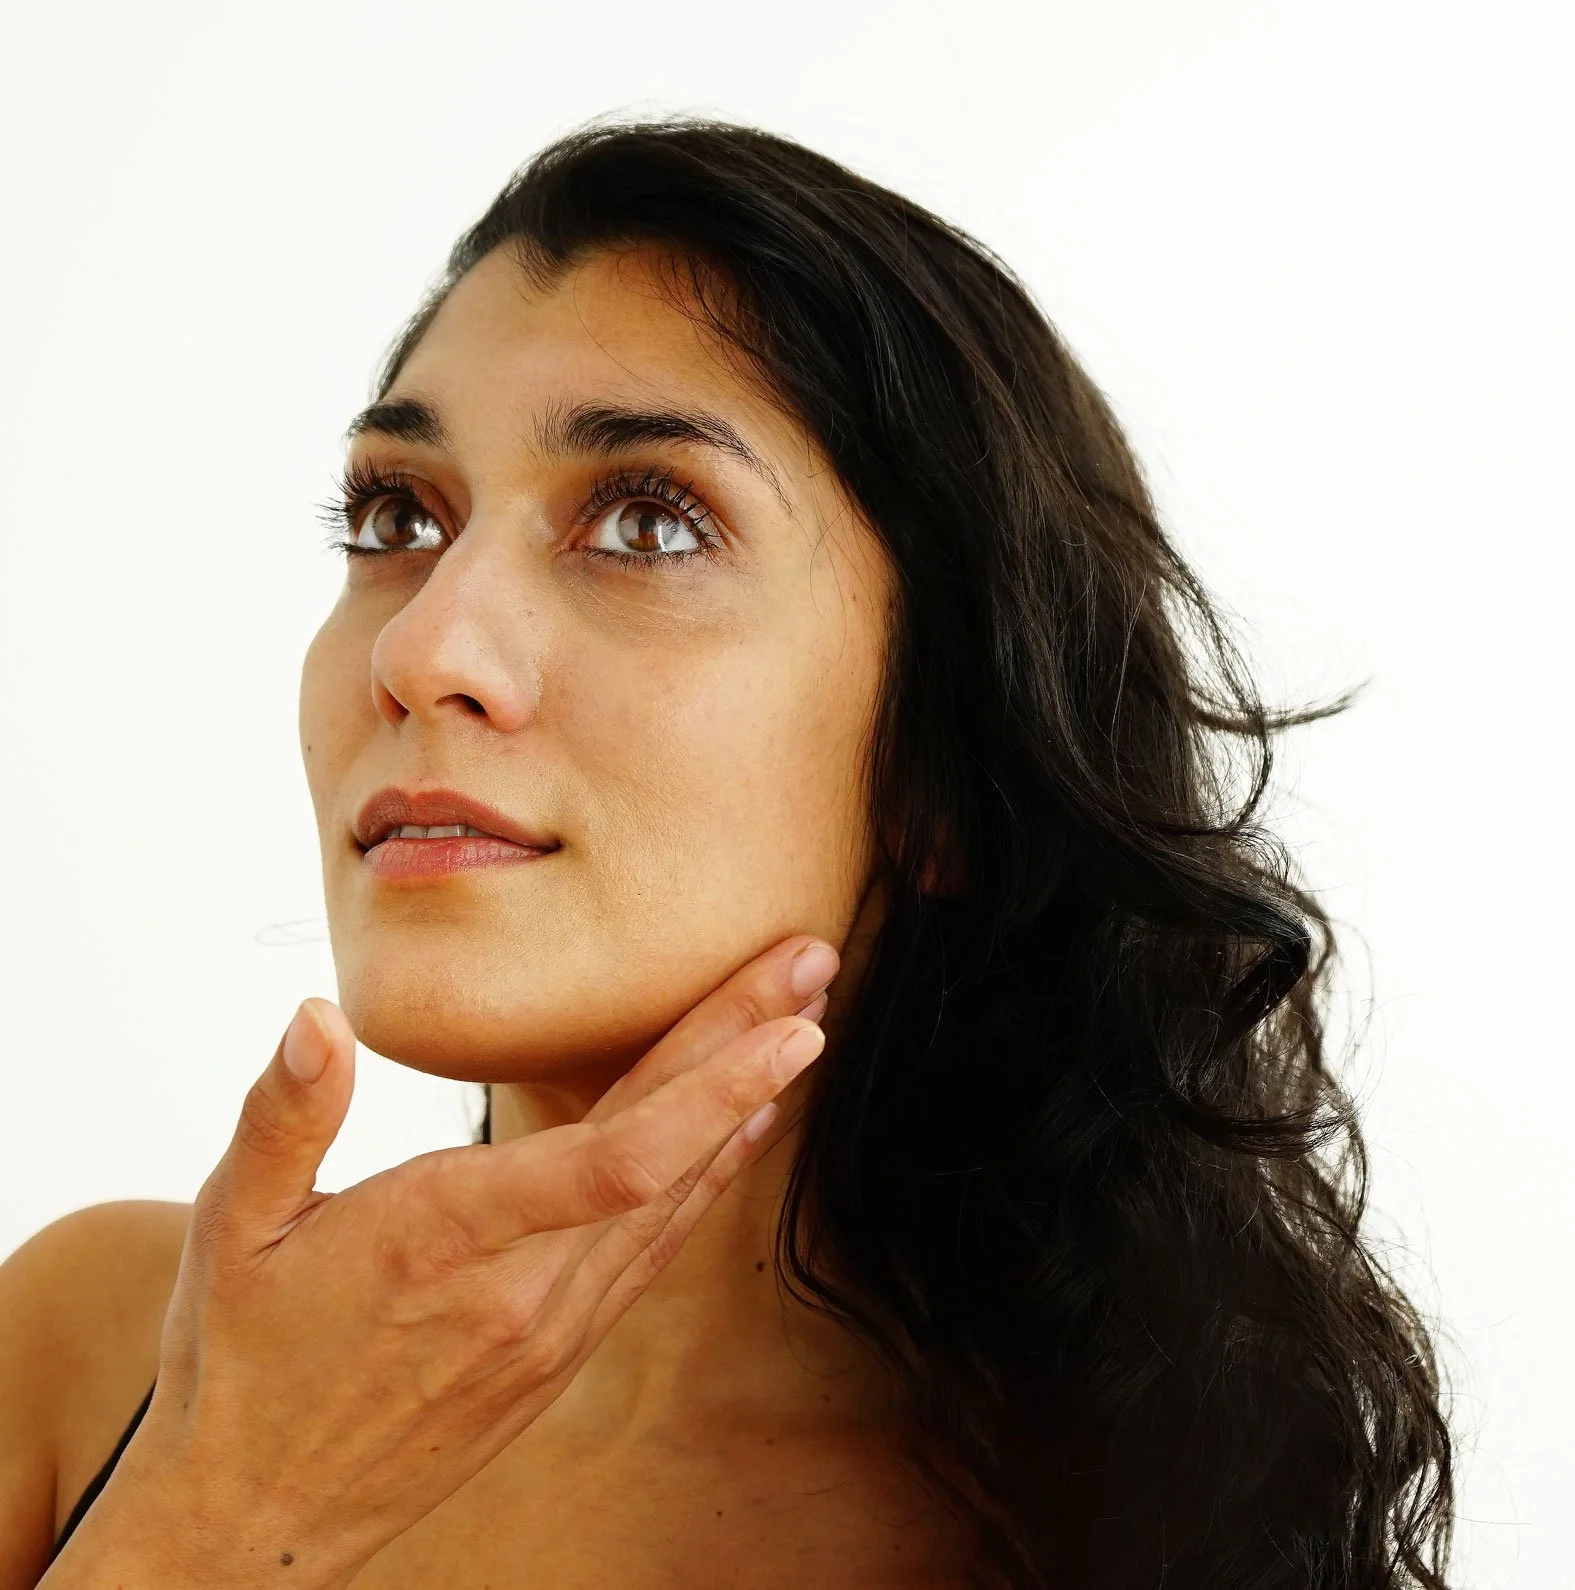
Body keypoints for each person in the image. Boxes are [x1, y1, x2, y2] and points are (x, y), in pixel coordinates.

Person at [0, 119, 1454, 1590]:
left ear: (943, 770)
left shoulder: (1143, 1515)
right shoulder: (90, 1358)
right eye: (398, 515)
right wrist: (214, 1509)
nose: (424, 645)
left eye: (645, 521)